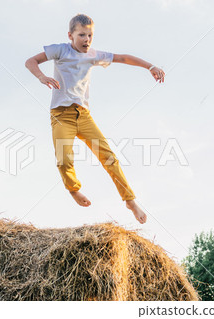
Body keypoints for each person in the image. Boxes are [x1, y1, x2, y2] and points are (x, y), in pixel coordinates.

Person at [25, 14, 165, 224]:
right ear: (70, 35)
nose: (86, 39)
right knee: (64, 157)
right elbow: (31, 61)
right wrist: (41, 76)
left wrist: (150, 66)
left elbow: (122, 58)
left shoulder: (93, 55)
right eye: (82, 35)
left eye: (90, 35)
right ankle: (74, 190)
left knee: (109, 158)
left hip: (84, 116)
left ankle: (130, 200)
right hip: (62, 115)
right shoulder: (60, 49)